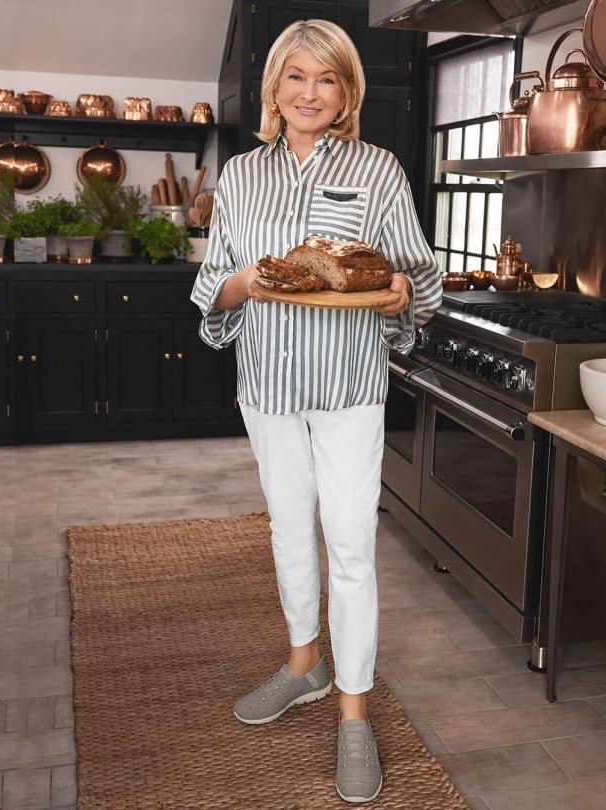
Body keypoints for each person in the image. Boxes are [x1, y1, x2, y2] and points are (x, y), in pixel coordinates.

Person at [191, 18, 441, 804]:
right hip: (266, 384)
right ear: (273, 89)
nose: (309, 93)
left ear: (347, 92)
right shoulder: (239, 177)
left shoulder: (378, 170)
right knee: (287, 527)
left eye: (326, 79)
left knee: (352, 545)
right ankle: (304, 666)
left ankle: (355, 713)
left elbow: (418, 279)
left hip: (349, 387)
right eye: (295, 77)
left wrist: (402, 291)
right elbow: (215, 288)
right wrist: (248, 284)